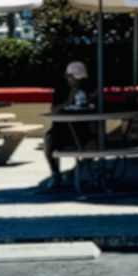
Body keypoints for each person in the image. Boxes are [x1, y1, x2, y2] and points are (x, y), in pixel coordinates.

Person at [40, 60, 93, 188]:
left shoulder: (87, 88)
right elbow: (54, 110)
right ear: (67, 77)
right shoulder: (61, 90)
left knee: (94, 146)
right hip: (62, 130)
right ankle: (55, 173)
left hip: (82, 129)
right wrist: (68, 102)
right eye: (74, 78)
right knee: (49, 140)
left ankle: (76, 172)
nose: (77, 81)